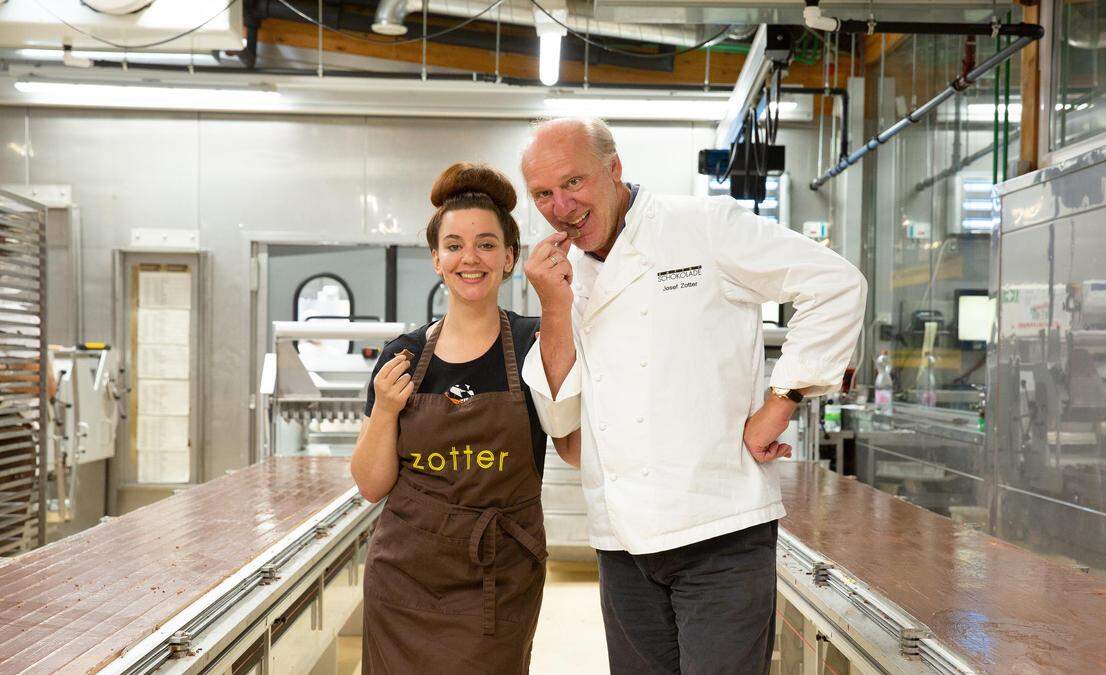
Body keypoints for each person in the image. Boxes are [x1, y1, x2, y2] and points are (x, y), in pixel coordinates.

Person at [520, 118, 867, 674]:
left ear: (614, 168)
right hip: (621, 542)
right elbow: (564, 423)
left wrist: (779, 405)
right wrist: (554, 307)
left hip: (720, 531)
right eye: (542, 194)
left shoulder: (702, 226)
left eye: (574, 183)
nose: (561, 206)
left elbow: (835, 283)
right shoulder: (561, 274)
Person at [351, 162, 570, 674]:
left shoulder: (538, 343)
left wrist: (559, 303)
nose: (470, 258)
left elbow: (573, 442)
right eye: (454, 245)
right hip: (404, 579)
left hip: (500, 574)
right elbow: (370, 484)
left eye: (487, 244)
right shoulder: (403, 356)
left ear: (510, 257)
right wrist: (385, 409)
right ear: (436, 259)